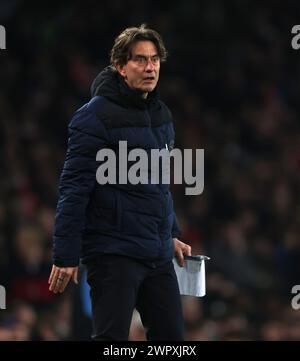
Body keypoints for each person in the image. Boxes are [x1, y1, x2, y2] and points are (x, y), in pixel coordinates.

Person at [48, 24, 192, 341]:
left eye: (154, 59)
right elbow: (74, 189)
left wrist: (170, 233)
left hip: (156, 254)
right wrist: (65, 255)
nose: (150, 67)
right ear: (120, 67)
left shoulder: (162, 116)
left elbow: (158, 185)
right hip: (113, 253)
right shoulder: (93, 117)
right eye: (140, 60)